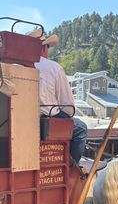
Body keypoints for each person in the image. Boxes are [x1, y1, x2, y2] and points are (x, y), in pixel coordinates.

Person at [30, 29, 88, 165]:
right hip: (45, 120)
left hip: (20, 120)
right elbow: (68, 106)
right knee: (81, 128)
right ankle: (70, 167)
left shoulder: (15, 66)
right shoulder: (53, 68)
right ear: (44, 47)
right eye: (48, 47)